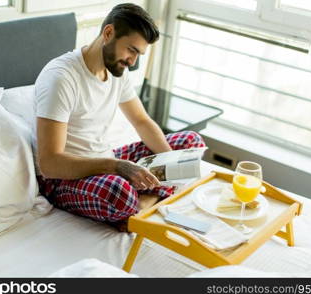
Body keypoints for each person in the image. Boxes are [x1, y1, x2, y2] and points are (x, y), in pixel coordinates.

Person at [34, 3, 205, 230]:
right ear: (108, 33)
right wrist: (116, 167)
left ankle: (143, 204)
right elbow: (50, 164)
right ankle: (141, 201)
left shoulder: (116, 71)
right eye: (131, 50)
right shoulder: (61, 79)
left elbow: (141, 121)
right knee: (120, 193)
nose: (133, 61)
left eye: (139, 54)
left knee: (190, 144)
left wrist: (170, 164)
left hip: (107, 160)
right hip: (64, 180)